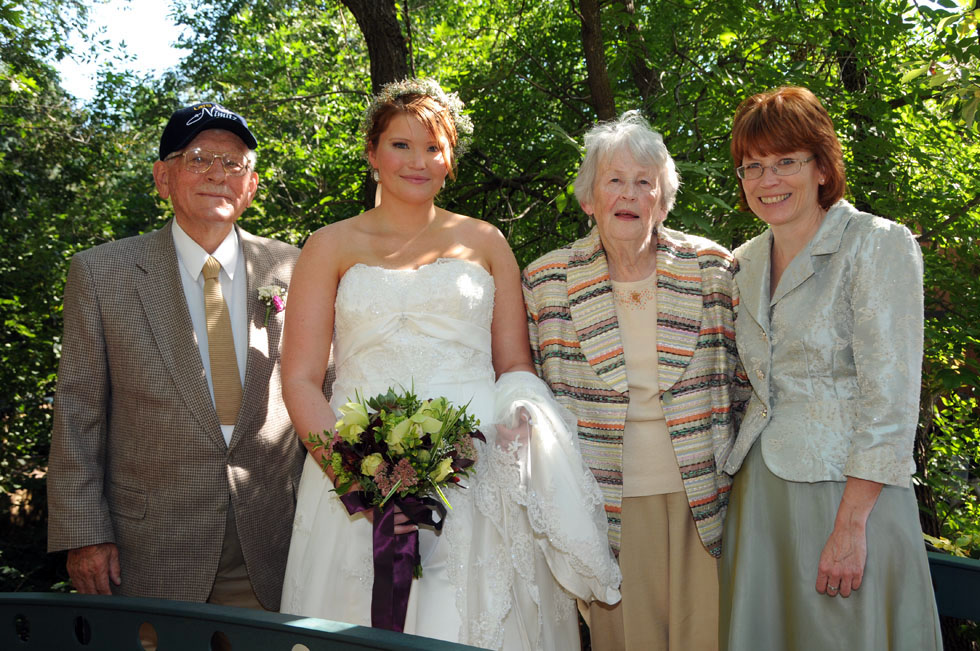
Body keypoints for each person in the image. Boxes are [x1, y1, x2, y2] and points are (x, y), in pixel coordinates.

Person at [278, 78, 621, 650]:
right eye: (400, 145)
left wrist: (520, 413)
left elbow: (514, 363)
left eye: (434, 147)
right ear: (372, 154)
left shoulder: (486, 242)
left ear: (450, 160)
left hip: (476, 465)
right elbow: (301, 379)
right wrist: (359, 481)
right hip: (355, 468)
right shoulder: (329, 245)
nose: (419, 161)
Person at [47, 102, 305, 613]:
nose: (218, 174)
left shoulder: (294, 268)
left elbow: (325, 387)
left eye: (234, 164)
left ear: (251, 187)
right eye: (199, 158)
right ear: (163, 178)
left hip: (276, 542)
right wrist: (83, 533)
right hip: (150, 552)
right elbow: (78, 412)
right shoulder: (101, 274)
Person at [718, 86, 942, 650]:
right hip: (760, 495)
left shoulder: (876, 244)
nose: (767, 181)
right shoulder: (741, 263)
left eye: (785, 162)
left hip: (849, 496)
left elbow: (890, 399)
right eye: (752, 167)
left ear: (821, 166)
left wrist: (850, 525)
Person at [522, 110, 741, 651]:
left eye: (645, 182)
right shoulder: (545, 280)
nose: (629, 194)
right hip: (605, 503)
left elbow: (744, 378)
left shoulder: (712, 268)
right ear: (588, 198)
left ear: (663, 201)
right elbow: (526, 388)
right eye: (614, 180)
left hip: (707, 501)